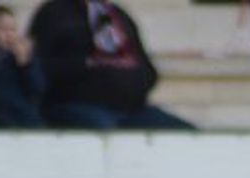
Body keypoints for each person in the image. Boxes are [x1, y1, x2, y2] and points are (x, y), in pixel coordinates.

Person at [28, 0, 191, 129]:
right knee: (109, 135)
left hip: (132, 110)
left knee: (181, 132)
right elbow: (40, 66)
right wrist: (87, 66)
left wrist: (138, 79)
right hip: (76, 106)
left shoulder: (119, 15)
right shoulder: (54, 14)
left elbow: (146, 66)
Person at [0, 3, 43, 126]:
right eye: (3, 29)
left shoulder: (22, 57)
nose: (9, 35)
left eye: (13, 29)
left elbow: (37, 90)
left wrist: (25, 64)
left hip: (22, 121)